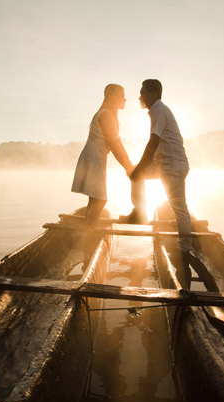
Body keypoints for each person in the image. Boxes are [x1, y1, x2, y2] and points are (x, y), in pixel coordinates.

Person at [120, 79, 193, 288]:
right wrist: (139, 169)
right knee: (136, 174)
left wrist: (141, 168)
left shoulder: (159, 110)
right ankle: (139, 211)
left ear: (152, 93)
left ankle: (184, 249)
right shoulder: (155, 111)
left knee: (179, 207)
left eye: (142, 92)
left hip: (174, 166)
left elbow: (153, 142)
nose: (139, 97)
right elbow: (156, 147)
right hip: (164, 165)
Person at [71, 84, 134, 224]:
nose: (125, 99)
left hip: (95, 157)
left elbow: (116, 144)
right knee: (100, 199)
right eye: (122, 96)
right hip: (93, 158)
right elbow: (115, 145)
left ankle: (87, 231)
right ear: (113, 97)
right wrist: (129, 167)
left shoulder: (108, 114)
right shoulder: (105, 115)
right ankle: (89, 233)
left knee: (95, 198)